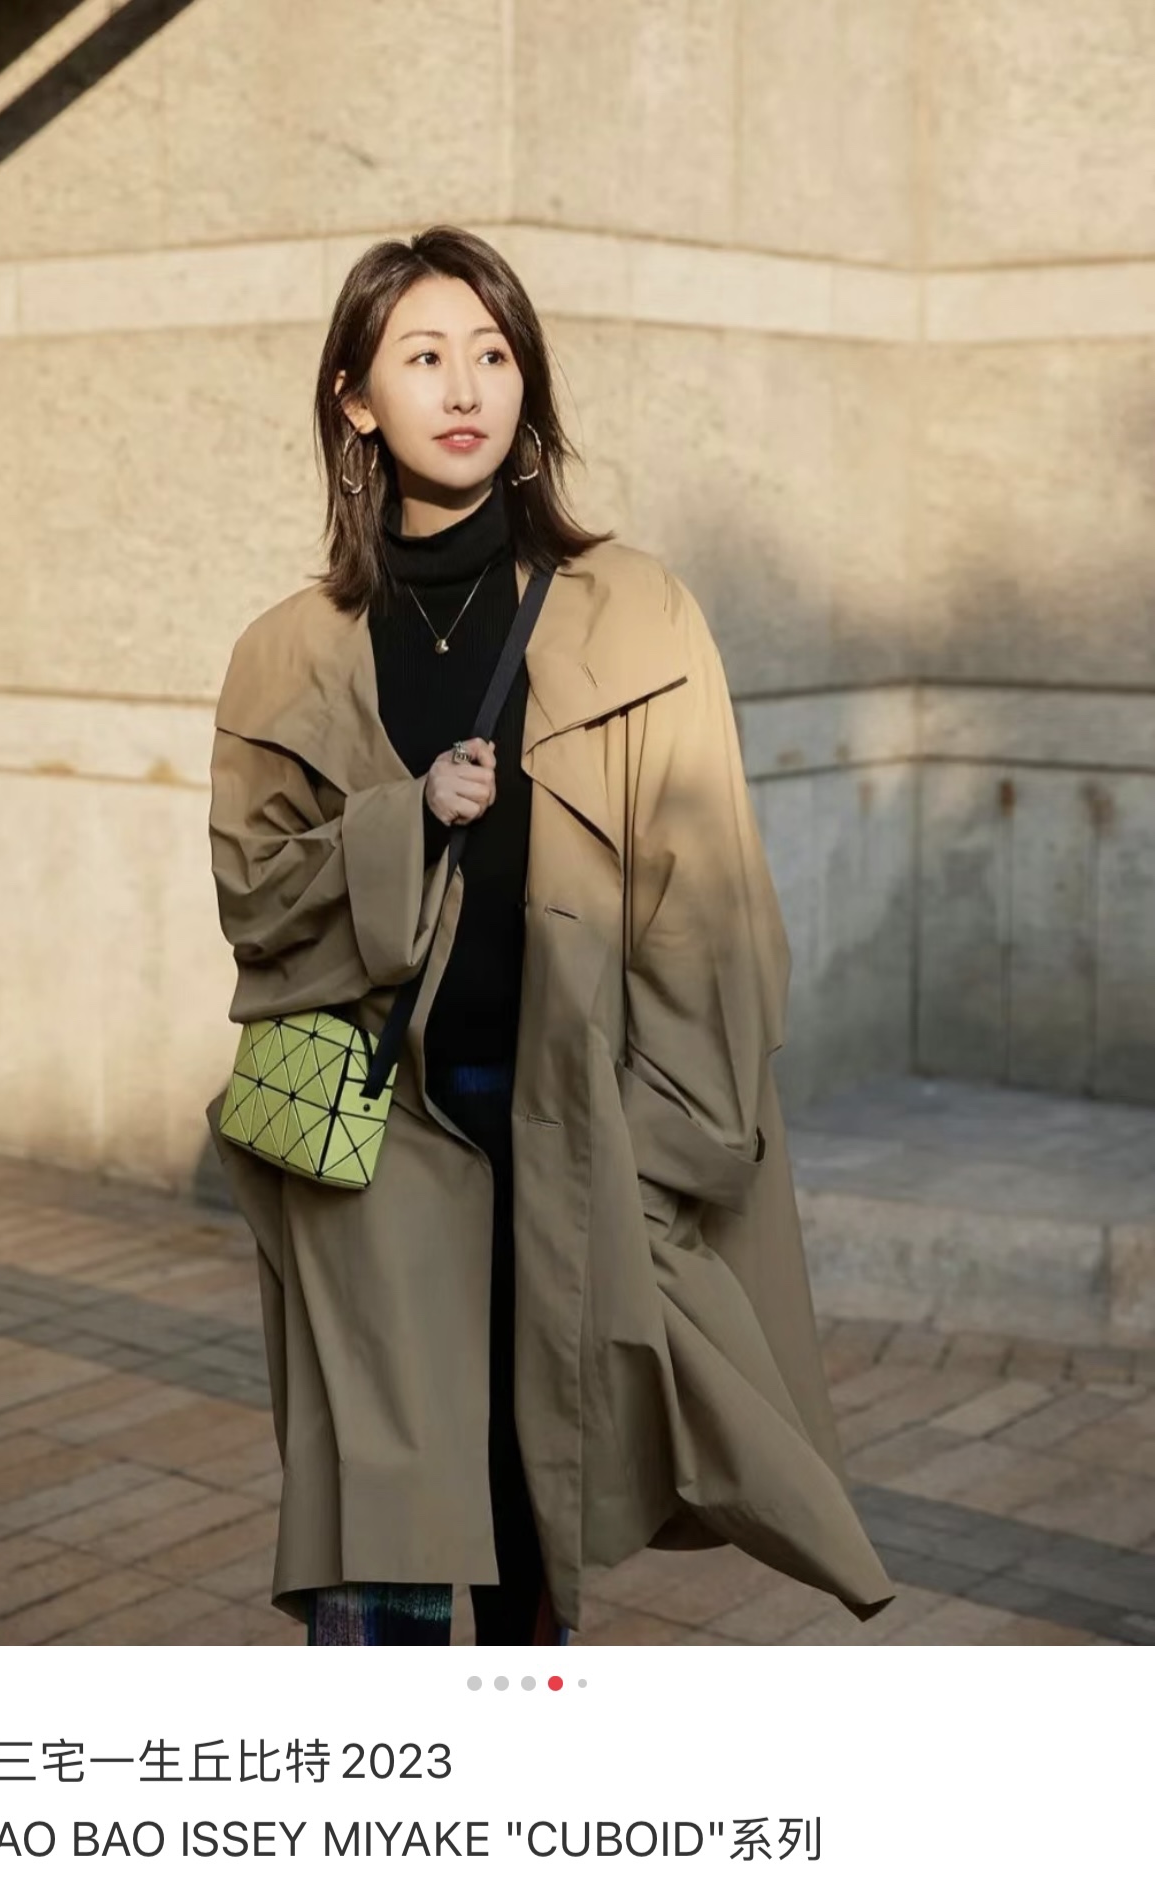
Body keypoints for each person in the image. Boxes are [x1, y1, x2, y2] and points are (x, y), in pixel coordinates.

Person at [205, 225, 894, 1647]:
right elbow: (255, 899)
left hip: (568, 1133)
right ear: (354, 399)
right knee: (382, 1545)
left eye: (494, 352)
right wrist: (404, 821)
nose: (465, 386)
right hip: (375, 1139)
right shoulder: (286, 649)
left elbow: (709, 909)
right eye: (422, 356)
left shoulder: (635, 610)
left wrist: (668, 1148)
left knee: (528, 1534)